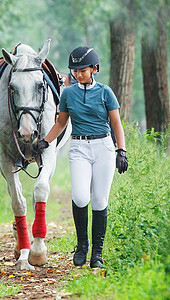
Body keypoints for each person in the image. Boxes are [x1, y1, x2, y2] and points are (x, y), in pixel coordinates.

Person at [36, 46, 128, 268]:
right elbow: (61, 123)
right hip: (79, 147)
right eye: (75, 71)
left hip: (103, 147)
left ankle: (97, 253)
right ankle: (82, 246)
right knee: (79, 197)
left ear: (94, 69)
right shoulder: (68, 93)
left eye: (83, 70)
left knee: (99, 201)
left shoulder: (106, 92)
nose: (78, 75)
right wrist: (46, 141)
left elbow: (116, 123)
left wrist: (121, 151)